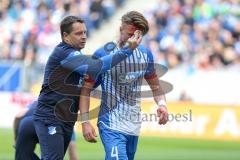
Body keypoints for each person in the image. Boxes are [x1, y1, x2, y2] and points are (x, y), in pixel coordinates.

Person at [33, 15, 142, 159]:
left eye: (85, 32)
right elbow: (95, 66)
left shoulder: (76, 55)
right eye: (78, 33)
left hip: (66, 118)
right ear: (65, 36)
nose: (84, 36)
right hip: (50, 117)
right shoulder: (64, 53)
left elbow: (89, 84)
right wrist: (126, 50)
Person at [80, 11, 169, 160]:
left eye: (136, 36)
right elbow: (86, 89)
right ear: (121, 28)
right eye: (129, 34)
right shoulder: (103, 53)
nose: (131, 39)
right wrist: (85, 121)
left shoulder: (145, 55)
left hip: (133, 126)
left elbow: (156, 87)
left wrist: (162, 104)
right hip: (110, 124)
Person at [13, 101, 78, 160]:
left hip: (27, 124)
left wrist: (16, 139)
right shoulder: (65, 119)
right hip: (51, 127)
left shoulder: (38, 102)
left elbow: (18, 116)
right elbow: (72, 154)